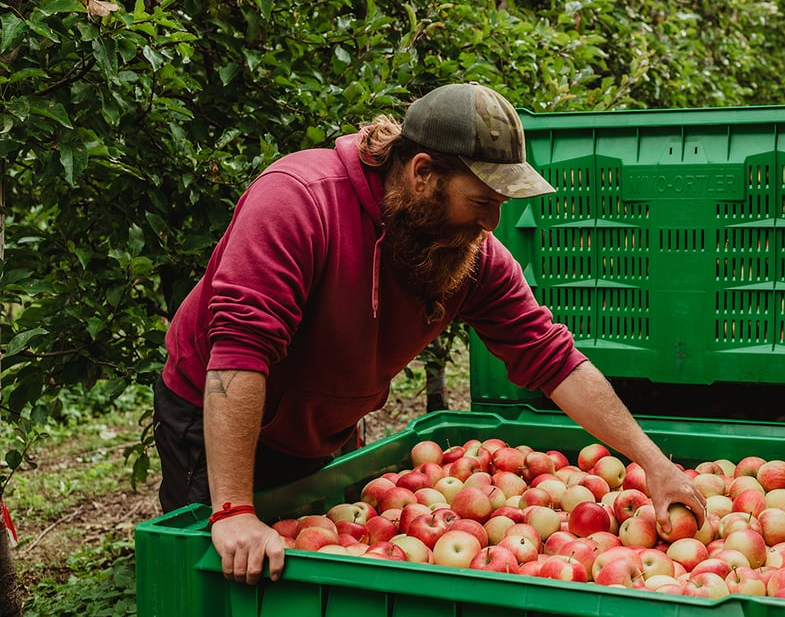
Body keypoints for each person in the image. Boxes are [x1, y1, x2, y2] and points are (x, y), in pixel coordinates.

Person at [153, 83, 707, 585]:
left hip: (324, 424)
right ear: (423, 173)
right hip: (219, 420)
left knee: (316, 569)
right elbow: (241, 350)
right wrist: (232, 509)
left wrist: (653, 463)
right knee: (227, 571)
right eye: (483, 201)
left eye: (501, 205)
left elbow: (550, 356)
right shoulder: (299, 199)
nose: (492, 223)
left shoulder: (468, 254)